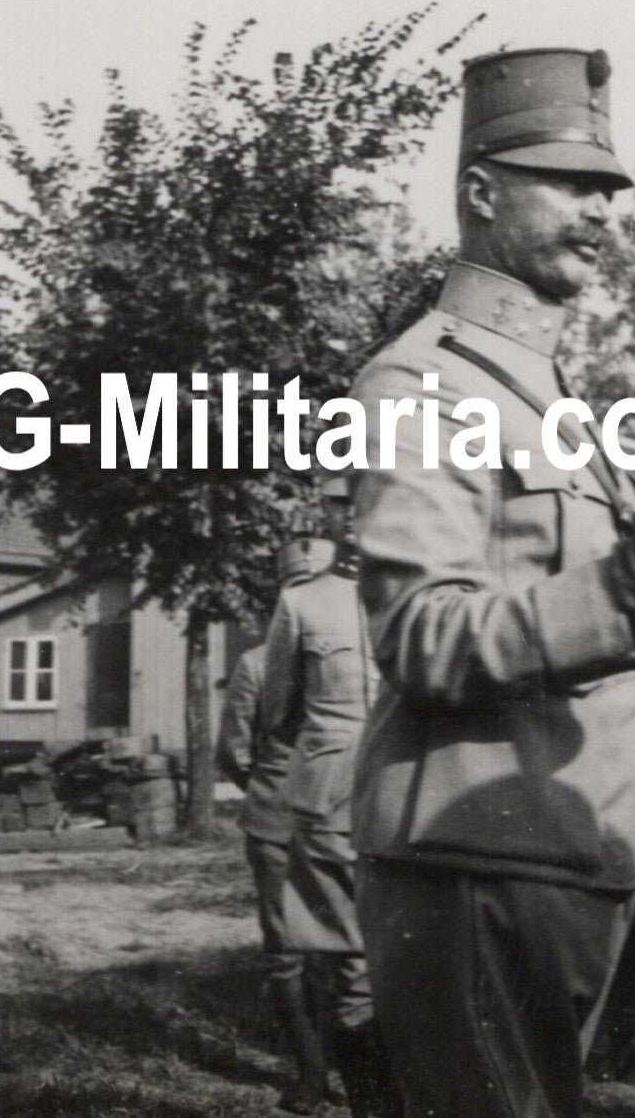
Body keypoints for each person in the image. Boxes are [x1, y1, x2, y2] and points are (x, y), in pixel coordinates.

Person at [346, 46, 635, 1118]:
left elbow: (617, 633)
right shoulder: (420, 381)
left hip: (572, 852)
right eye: (567, 181)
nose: (599, 209)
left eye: (606, 187)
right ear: (480, 191)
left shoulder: (549, 398)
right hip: (470, 861)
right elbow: (421, 635)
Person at [258, 479, 401, 1118]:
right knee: (351, 971)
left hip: (411, 798)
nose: (354, 514)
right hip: (333, 805)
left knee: (411, 962)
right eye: (342, 503)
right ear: (330, 514)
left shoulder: (421, 593)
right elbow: (277, 710)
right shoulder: (305, 605)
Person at [216, 535, 334, 1114]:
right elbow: (234, 751)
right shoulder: (257, 664)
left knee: (337, 949)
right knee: (294, 949)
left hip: (332, 820)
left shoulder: (359, 662)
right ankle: (313, 1072)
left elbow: (238, 757)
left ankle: (341, 1068)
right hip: (286, 823)